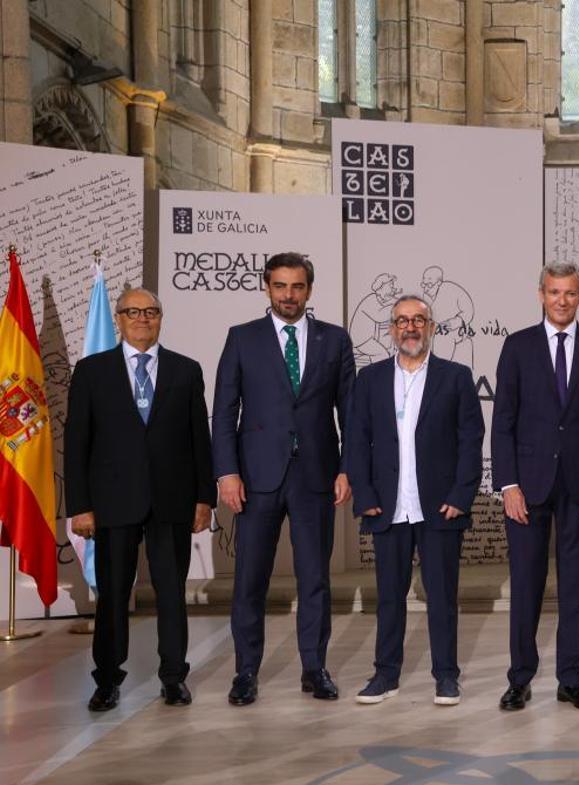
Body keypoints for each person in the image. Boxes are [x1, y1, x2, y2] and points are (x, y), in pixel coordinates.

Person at [212, 252, 355, 706]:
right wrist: (227, 472)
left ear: (309, 290)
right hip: (256, 478)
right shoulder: (242, 338)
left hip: (316, 475)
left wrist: (347, 467)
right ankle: (246, 672)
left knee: (315, 579)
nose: (288, 295)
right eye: (280, 286)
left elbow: (350, 412)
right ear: (267, 287)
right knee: (250, 579)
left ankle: (315, 668)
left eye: (297, 286)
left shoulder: (334, 339)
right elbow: (224, 411)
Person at [65, 288, 215, 711]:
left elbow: (199, 440)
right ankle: (107, 680)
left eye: (150, 311)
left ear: (161, 318)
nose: (142, 318)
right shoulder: (91, 371)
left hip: (173, 501)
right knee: (113, 595)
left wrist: (204, 498)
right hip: (113, 503)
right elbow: (77, 443)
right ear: (118, 319)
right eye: (133, 311)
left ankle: (174, 678)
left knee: (171, 594)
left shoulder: (186, 369)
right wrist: (79, 506)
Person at [491, 262, 579, 712]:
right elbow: (503, 421)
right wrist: (508, 484)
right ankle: (519, 679)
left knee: (576, 587)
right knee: (526, 585)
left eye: (569, 293)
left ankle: (571, 679)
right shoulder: (517, 346)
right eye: (553, 292)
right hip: (527, 487)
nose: (561, 300)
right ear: (541, 295)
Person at [344, 294, 484, 706]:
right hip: (387, 506)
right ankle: (385, 675)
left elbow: (470, 441)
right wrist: (364, 494)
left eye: (418, 320)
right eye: (402, 321)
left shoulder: (455, 377)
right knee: (389, 598)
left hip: (440, 506)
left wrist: (461, 495)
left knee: (442, 598)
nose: (410, 327)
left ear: (431, 328)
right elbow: (356, 440)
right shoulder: (369, 379)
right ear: (391, 329)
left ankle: (446, 676)